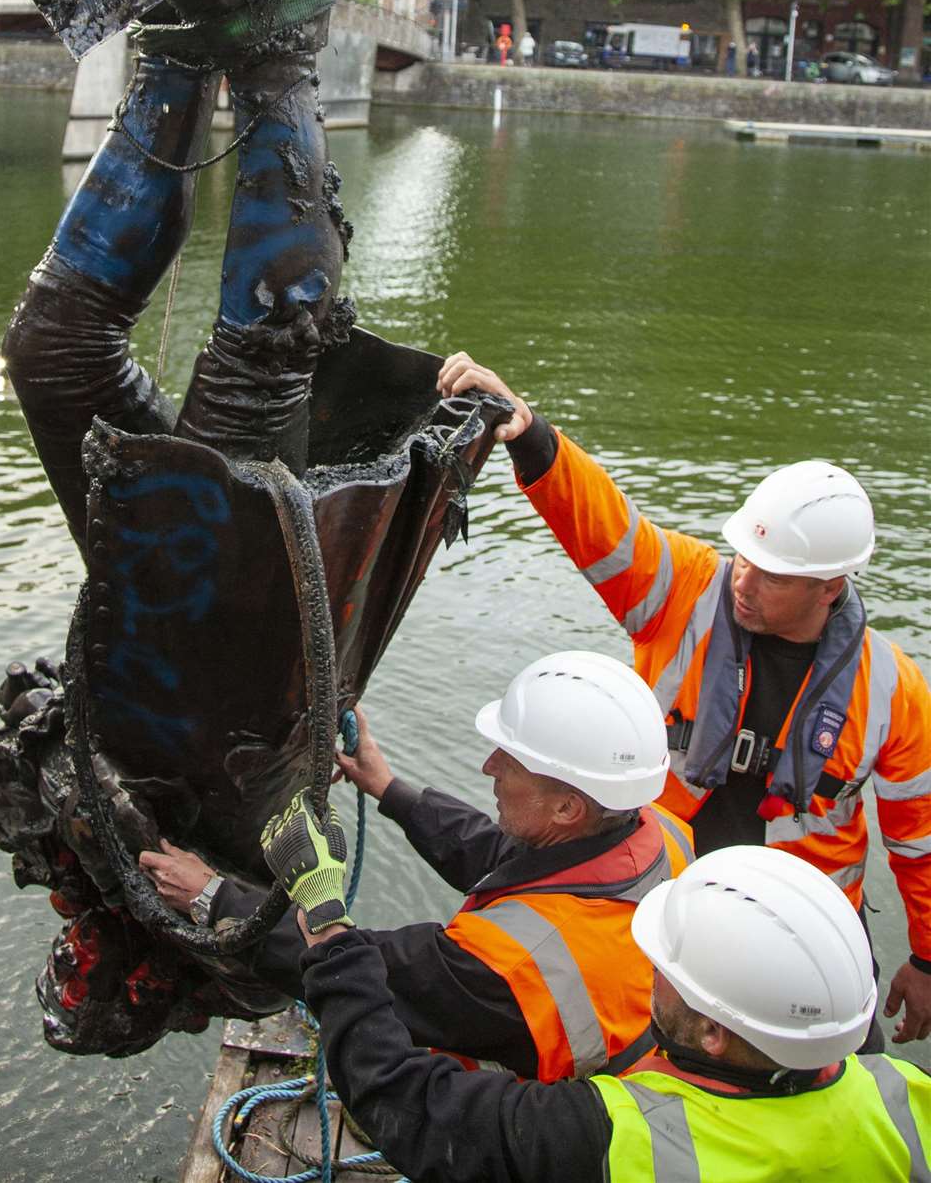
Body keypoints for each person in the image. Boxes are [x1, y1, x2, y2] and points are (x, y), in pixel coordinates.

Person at [436, 352, 931, 1050]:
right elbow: (606, 527)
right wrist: (532, 436)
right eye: (744, 557)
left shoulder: (895, 692)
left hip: (801, 927)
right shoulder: (685, 591)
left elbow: (921, 839)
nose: (745, 581)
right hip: (662, 900)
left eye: (774, 575)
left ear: (830, 586)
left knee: (845, 1079)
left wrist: (927, 957)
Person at [260, 809, 931, 1183]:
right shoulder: (904, 1096)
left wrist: (327, 922)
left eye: (667, 967)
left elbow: (407, 1102)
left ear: (713, 1035)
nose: (648, 964)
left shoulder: (617, 1137)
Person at [140, 651, 693, 1080]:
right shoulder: (656, 833)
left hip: (543, 1133)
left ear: (569, 807)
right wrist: (388, 787)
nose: (487, 766)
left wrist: (212, 897)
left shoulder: (518, 968)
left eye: (510, 759)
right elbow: (503, 856)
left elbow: (372, 972)